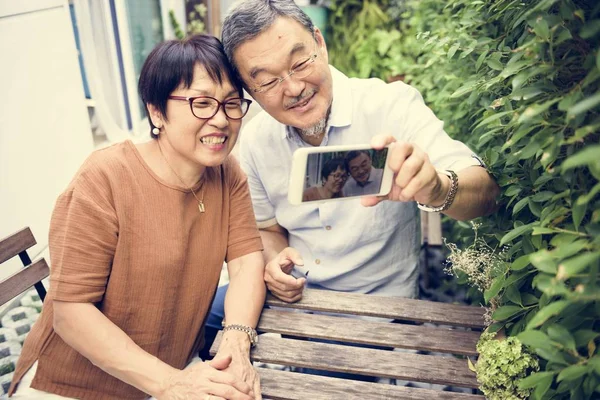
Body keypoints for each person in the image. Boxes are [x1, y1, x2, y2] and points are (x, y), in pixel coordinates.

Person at [8, 34, 265, 400]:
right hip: (74, 385)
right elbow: (71, 312)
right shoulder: (106, 177)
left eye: (231, 103)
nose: (221, 120)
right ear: (156, 111)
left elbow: (245, 262)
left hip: (175, 369)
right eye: (202, 103)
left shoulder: (227, 173)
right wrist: (170, 384)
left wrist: (237, 342)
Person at [213, 0, 499, 310]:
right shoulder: (256, 141)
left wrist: (438, 188)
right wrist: (274, 261)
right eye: (268, 81)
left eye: (300, 63)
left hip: (385, 312)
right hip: (300, 307)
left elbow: (487, 193)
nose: (294, 88)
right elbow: (267, 229)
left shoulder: (391, 105)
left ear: (320, 44)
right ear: (250, 92)